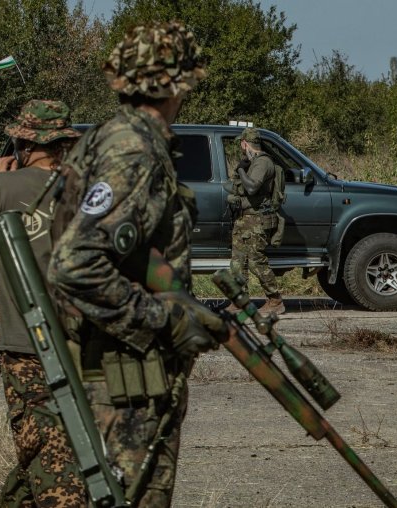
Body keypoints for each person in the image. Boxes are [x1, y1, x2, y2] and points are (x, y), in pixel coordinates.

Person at [46, 22, 225, 506]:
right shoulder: (134, 151)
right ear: (179, 82)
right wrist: (163, 319)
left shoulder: (111, 136)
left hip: (110, 373)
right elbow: (74, 262)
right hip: (121, 387)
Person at [0, 100, 86, 507]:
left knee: (47, 452)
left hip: (26, 345)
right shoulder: (88, 186)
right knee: (55, 447)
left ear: (24, 142)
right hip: (85, 342)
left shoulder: (3, 187)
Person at [225, 127, 285, 315]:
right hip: (244, 219)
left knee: (256, 261)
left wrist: (242, 171)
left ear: (245, 143)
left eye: (242, 145)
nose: (242, 149)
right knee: (237, 262)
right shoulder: (253, 162)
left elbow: (251, 188)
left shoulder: (263, 162)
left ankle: (275, 300)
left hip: (257, 220)